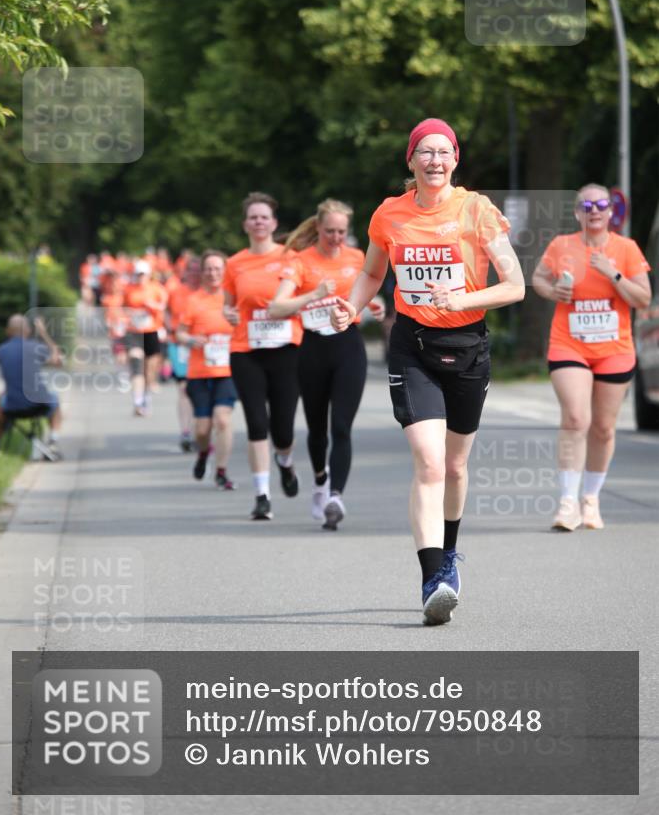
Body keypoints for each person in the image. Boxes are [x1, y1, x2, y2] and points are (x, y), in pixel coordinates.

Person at [330, 118, 525, 625]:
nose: (434, 160)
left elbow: (515, 286)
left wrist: (463, 297)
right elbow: (373, 272)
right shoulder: (389, 215)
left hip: (467, 347)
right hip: (412, 346)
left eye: (443, 152)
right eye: (425, 152)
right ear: (410, 160)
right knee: (430, 462)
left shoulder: (476, 210)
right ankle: (432, 577)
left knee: (456, 467)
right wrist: (351, 308)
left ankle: (449, 555)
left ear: (455, 160)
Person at [532, 183, 651, 531]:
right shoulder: (562, 246)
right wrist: (555, 290)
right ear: (577, 212)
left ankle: (591, 500)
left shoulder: (626, 249)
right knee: (575, 418)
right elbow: (539, 278)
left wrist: (612, 273)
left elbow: (643, 299)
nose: (594, 210)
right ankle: (568, 502)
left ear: (611, 212)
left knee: (602, 427)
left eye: (601, 205)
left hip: (615, 349)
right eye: (587, 206)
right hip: (569, 344)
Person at [269, 199, 385, 529]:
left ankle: (336, 496)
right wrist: (313, 294)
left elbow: (370, 292)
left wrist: (374, 306)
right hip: (312, 349)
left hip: (348, 346)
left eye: (342, 232)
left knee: (342, 427)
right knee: (317, 429)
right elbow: (277, 306)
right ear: (318, 228)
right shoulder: (299, 261)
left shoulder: (357, 257)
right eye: (330, 231)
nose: (336, 237)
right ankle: (320, 480)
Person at [223, 192, 303, 521]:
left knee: (282, 430)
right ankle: (262, 495)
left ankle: (284, 462)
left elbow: (301, 298)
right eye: (253, 217)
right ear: (245, 224)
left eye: (264, 217)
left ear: (274, 223)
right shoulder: (235, 263)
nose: (258, 222)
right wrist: (227, 315)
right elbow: (228, 305)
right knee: (257, 423)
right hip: (246, 350)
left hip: (286, 349)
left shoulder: (291, 258)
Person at [177, 250, 238, 487]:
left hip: (228, 371)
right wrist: (191, 340)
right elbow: (180, 332)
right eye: (208, 269)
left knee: (222, 420)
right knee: (202, 430)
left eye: (217, 269)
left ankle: (221, 471)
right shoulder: (193, 300)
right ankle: (203, 453)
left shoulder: (234, 298)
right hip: (200, 371)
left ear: (225, 272)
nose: (213, 273)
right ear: (201, 273)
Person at [0, 314, 64, 458]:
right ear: (28, 331)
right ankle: (53, 441)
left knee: (1, 399)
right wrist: (44, 333)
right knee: (55, 398)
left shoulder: (1, 350)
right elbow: (58, 361)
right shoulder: (35, 347)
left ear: (8, 331)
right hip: (39, 405)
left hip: (12, 407)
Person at [123, 260, 167, 416]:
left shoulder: (157, 289)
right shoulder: (128, 289)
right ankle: (137, 401)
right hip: (134, 331)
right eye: (138, 274)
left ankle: (146, 397)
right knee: (136, 362)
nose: (140, 277)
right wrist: (129, 314)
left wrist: (152, 306)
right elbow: (122, 308)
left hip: (151, 331)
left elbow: (163, 306)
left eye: (143, 274)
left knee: (149, 369)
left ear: (148, 275)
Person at [166, 257, 202, 451]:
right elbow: (166, 311)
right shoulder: (176, 292)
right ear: (185, 273)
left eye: (199, 271)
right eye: (192, 271)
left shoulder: (209, 293)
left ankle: (200, 430)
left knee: (202, 389)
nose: (195, 275)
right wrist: (167, 328)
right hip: (179, 344)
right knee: (184, 388)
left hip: (205, 345)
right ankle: (186, 432)